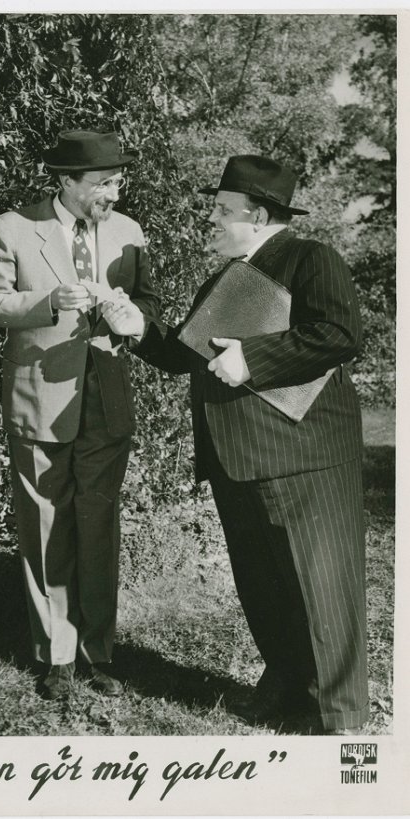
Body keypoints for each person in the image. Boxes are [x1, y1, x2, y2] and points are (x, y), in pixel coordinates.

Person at [103, 155, 369, 734]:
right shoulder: (226, 275)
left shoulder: (310, 258)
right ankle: (287, 686)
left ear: (260, 214)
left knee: (320, 587)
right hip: (238, 458)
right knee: (264, 584)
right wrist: (138, 329)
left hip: (304, 457)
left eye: (223, 211)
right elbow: (184, 354)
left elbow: (340, 334)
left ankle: (339, 722)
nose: (213, 220)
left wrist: (251, 358)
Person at [0, 129, 160, 699]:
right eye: (104, 182)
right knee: (46, 526)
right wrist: (47, 302)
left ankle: (97, 650)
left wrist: (128, 313)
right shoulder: (14, 227)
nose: (115, 190)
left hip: (106, 401)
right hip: (39, 401)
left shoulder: (129, 233)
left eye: (118, 180)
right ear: (66, 182)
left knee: (99, 525)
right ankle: (56, 654)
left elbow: (148, 304)